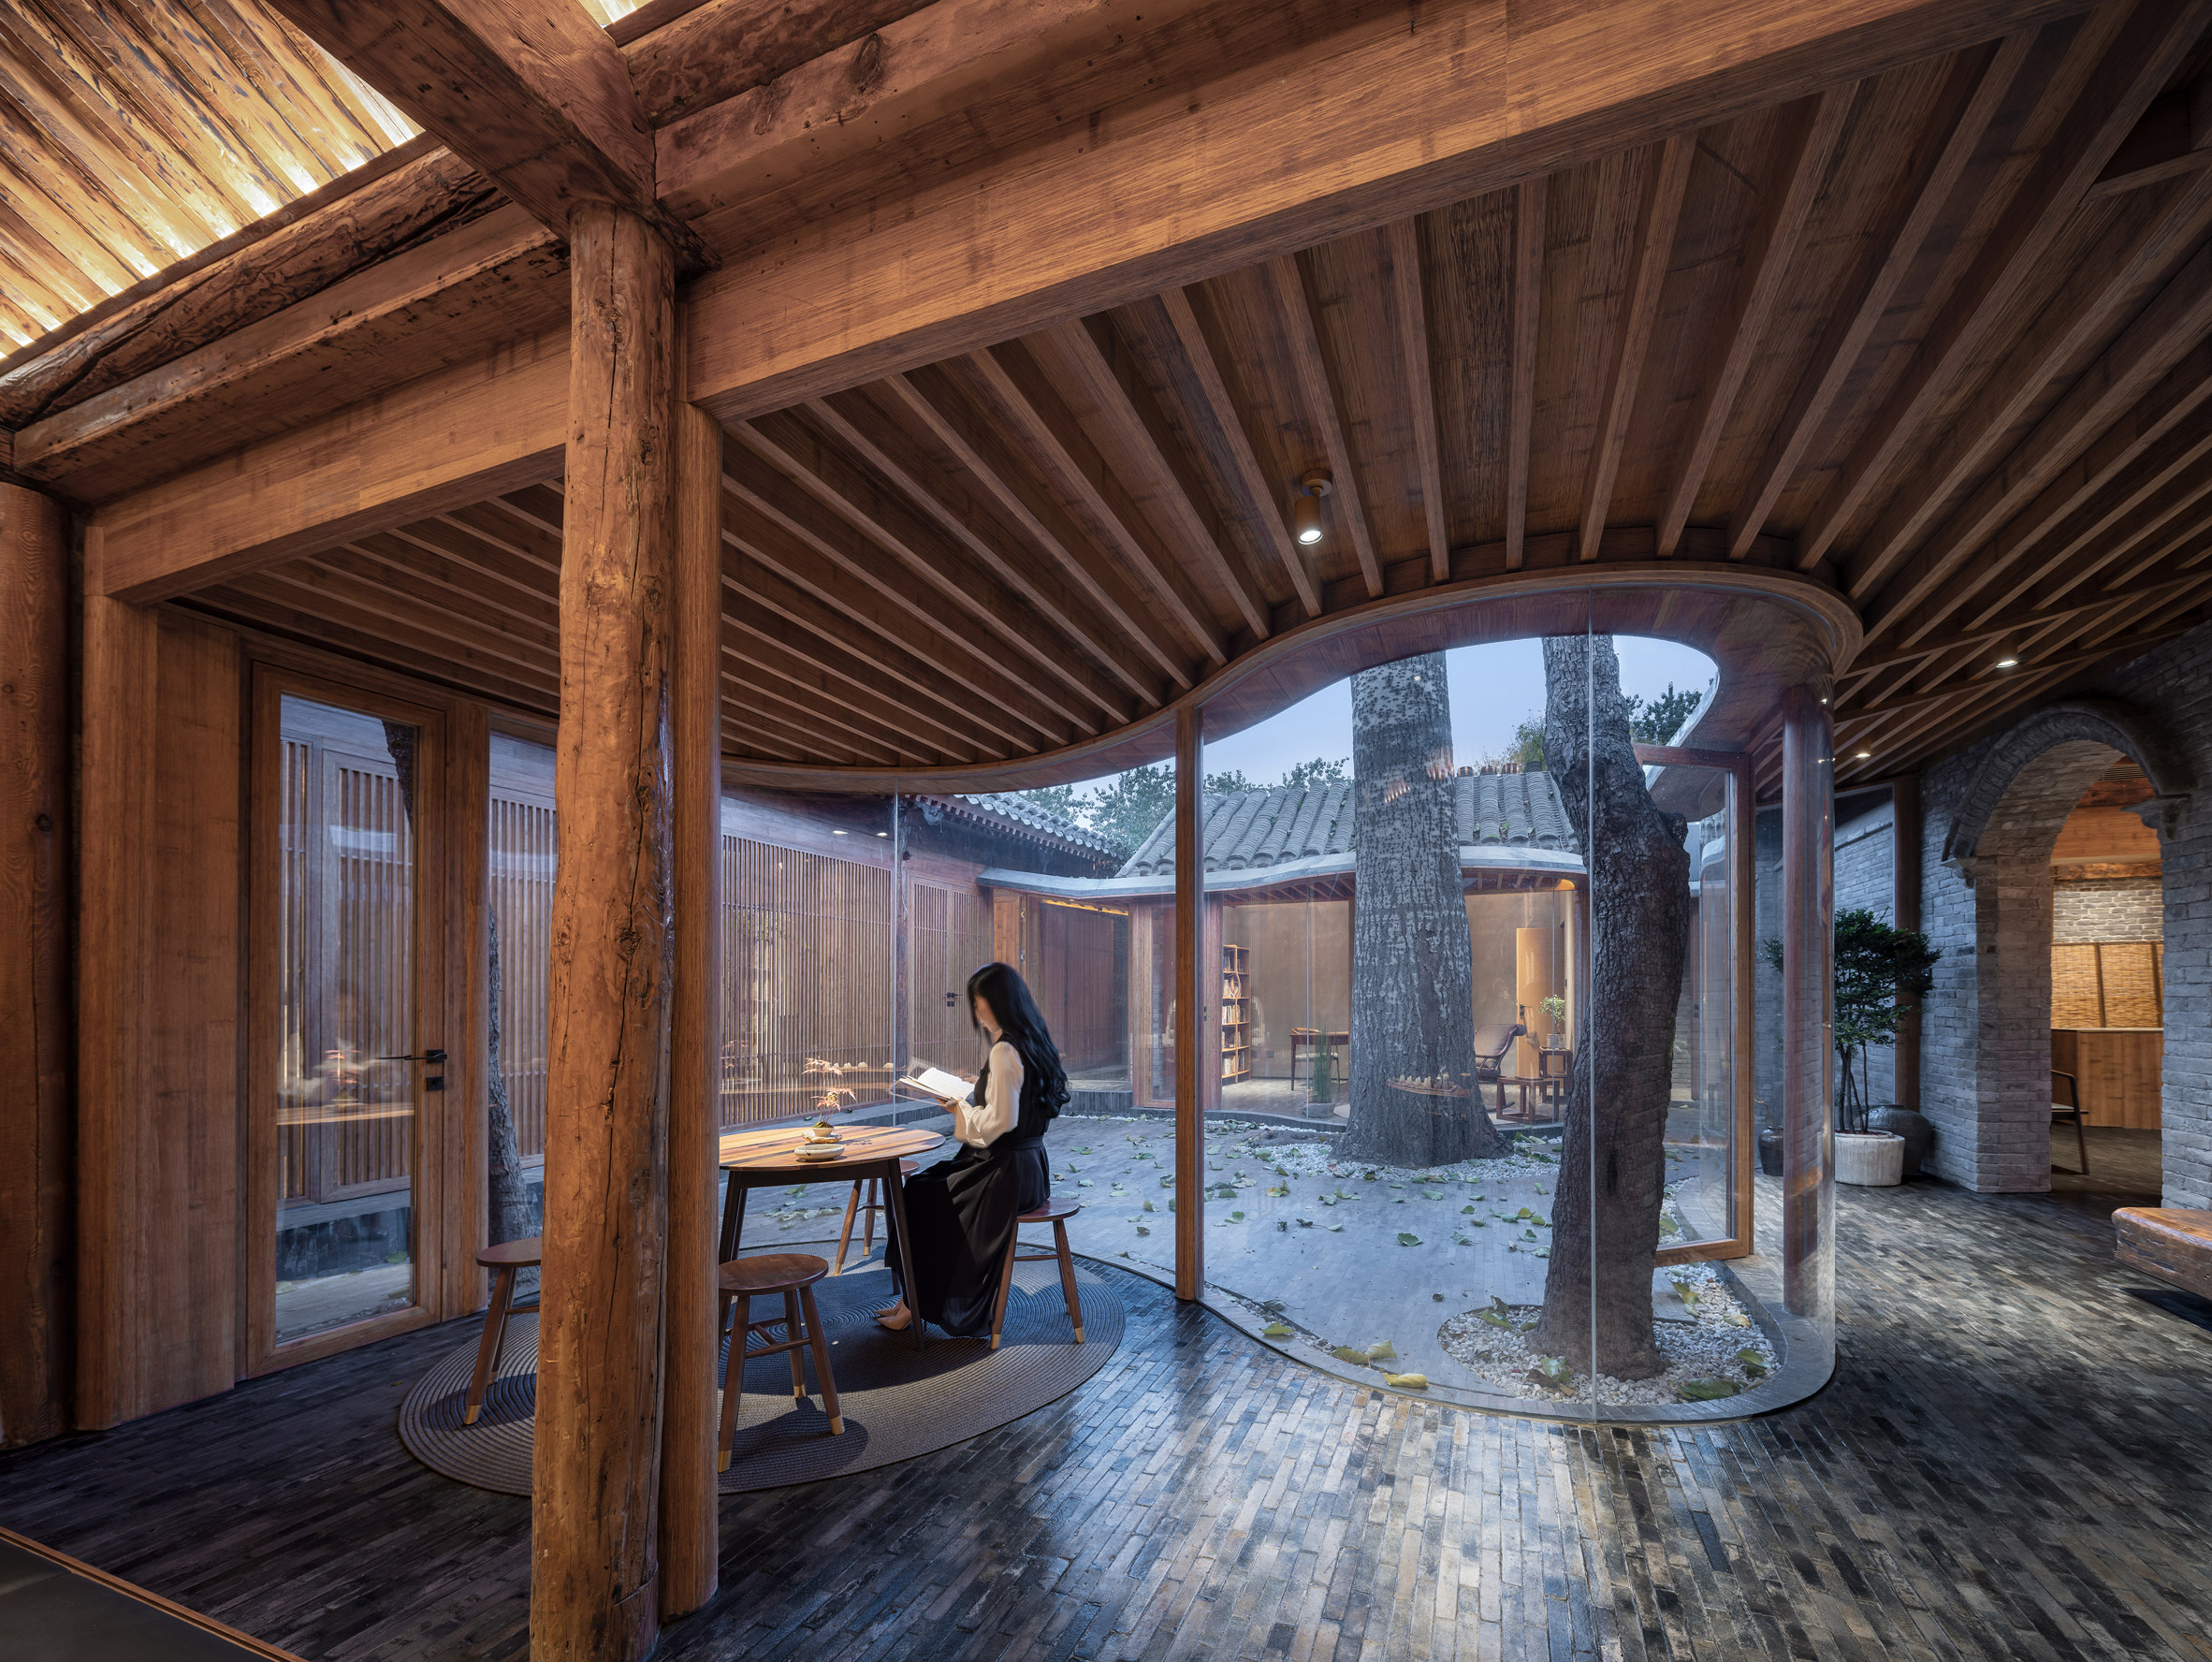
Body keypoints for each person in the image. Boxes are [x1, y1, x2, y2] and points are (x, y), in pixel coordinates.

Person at [876, 961, 1065, 1335]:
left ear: (999, 1002)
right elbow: (1014, 1108)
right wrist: (976, 1091)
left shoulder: (1005, 1052)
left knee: (919, 1195)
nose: (977, 1011)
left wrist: (959, 1105)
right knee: (924, 1187)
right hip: (1030, 1170)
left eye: (980, 1002)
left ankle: (914, 1303)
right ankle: (911, 1300)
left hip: (1003, 1173)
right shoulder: (1035, 1043)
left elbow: (999, 1124)